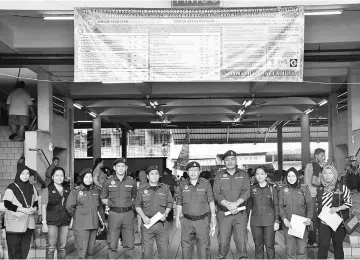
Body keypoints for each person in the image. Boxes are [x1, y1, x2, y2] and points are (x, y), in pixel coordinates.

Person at [213, 150, 250, 259]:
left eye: (232, 159)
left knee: (241, 241)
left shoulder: (243, 175)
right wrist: (228, 205)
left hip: (240, 213)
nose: (230, 162)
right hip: (224, 214)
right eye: (227, 159)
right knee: (223, 241)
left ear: (236, 160)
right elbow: (216, 193)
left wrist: (236, 204)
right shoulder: (219, 176)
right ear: (224, 161)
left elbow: (247, 192)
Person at [175, 162, 216, 259]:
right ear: (187, 172)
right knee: (185, 249)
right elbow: (179, 202)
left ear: (199, 171)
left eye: (196, 170)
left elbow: (211, 201)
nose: (193, 172)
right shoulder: (182, 184)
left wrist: (213, 217)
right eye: (191, 170)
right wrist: (177, 217)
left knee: (203, 249)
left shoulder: (206, 184)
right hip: (186, 221)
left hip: (202, 221)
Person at [100, 158, 137, 259]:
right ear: (114, 168)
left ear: (126, 168)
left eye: (123, 166)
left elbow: (134, 197)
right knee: (112, 242)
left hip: (128, 214)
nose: (121, 168)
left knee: (129, 242)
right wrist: (113, 204)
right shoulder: (108, 182)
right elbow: (103, 198)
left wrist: (127, 204)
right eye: (118, 166)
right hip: (114, 214)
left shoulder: (132, 181)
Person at [65, 168, 105, 259]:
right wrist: (78, 216)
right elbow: (69, 207)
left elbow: (100, 208)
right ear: (82, 178)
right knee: (82, 252)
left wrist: (102, 221)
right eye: (86, 177)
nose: (88, 179)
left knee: (90, 252)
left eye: (90, 177)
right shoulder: (76, 191)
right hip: (81, 225)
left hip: (94, 224)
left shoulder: (96, 191)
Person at [135, 165, 173, 259]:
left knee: (164, 252)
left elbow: (170, 202)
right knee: (147, 254)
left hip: (162, 225)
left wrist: (166, 213)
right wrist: (143, 217)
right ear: (147, 176)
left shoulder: (165, 188)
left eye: (156, 173)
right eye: (152, 174)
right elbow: (137, 205)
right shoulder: (142, 190)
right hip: (147, 224)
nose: (154, 176)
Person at [316, 165, 353, 259]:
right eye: (325, 173)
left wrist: (337, 208)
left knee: (338, 246)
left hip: (338, 222)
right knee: (323, 245)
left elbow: (349, 203)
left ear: (334, 174)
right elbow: (317, 204)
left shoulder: (342, 187)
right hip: (324, 222)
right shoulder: (320, 188)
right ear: (322, 175)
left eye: (330, 173)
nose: (327, 175)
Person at [3, 164, 39, 259]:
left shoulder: (32, 188)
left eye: (27, 173)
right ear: (18, 174)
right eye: (23, 173)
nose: (25, 176)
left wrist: (34, 209)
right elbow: (7, 204)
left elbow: (36, 202)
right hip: (15, 224)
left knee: (24, 252)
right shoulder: (11, 187)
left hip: (28, 224)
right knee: (14, 252)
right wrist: (23, 210)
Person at [279, 167, 313, 259]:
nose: (291, 178)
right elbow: (280, 206)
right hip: (288, 223)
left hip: (302, 224)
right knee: (290, 250)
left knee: (302, 250)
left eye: (293, 176)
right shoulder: (283, 190)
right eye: (289, 176)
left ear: (297, 177)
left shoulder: (304, 189)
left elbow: (310, 205)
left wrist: (309, 218)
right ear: (286, 177)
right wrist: (284, 219)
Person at [246, 166, 279, 259]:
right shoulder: (252, 189)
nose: (259, 176)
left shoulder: (272, 188)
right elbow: (248, 206)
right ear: (255, 176)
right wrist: (246, 221)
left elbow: (276, 205)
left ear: (266, 175)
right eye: (257, 174)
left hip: (269, 221)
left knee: (269, 245)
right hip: (255, 221)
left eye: (262, 174)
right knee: (258, 246)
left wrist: (277, 221)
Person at [41, 167, 71, 259]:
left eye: (61, 175)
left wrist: (71, 221)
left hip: (64, 221)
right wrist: (44, 223)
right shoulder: (47, 190)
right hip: (51, 222)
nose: (59, 177)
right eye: (57, 175)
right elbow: (43, 207)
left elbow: (71, 206)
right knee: (51, 247)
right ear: (52, 177)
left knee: (62, 247)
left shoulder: (67, 190)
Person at [304, 148, 326, 247]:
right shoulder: (310, 166)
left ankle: (322, 239)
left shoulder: (324, 166)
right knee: (312, 217)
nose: (324, 157)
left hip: (323, 195)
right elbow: (308, 181)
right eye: (322, 155)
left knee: (322, 218)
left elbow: (326, 181)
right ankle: (311, 240)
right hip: (312, 195)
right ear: (316, 155)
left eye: (324, 156)